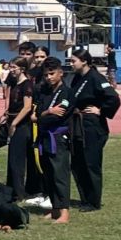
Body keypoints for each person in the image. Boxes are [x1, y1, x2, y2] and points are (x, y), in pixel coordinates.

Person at [64, 47, 121, 212]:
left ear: (84, 61)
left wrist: (101, 110)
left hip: (92, 126)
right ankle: (85, 198)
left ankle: (94, 200)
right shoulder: (77, 79)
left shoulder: (96, 77)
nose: (72, 64)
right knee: (77, 162)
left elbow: (113, 98)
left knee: (91, 163)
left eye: (74, 61)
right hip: (78, 124)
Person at [0, 59, 34, 201]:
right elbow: (9, 104)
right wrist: (0, 121)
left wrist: (14, 124)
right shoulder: (14, 83)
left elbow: (27, 107)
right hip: (8, 121)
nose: (11, 70)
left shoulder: (27, 85)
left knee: (15, 161)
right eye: (10, 67)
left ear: (22, 69)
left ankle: (17, 194)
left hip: (21, 125)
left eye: (14, 67)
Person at [32, 59, 75, 224]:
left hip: (58, 137)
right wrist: (48, 111)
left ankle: (64, 212)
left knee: (60, 174)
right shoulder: (45, 92)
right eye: (46, 75)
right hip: (44, 137)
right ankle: (55, 208)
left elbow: (59, 115)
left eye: (52, 73)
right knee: (48, 173)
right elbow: (36, 115)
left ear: (60, 73)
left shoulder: (67, 93)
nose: (49, 77)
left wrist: (43, 116)